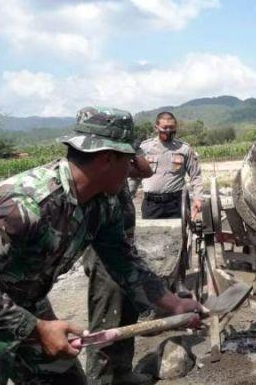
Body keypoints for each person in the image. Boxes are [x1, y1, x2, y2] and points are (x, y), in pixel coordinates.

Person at [0, 106, 207, 384]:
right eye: (129, 160)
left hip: (27, 303)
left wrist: (174, 303)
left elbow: (124, 262)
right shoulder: (24, 205)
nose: (132, 170)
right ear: (107, 159)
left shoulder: (102, 203)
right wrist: (37, 329)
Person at [83, 144, 154, 385]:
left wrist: (130, 150)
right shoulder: (96, 168)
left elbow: (145, 170)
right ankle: (100, 379)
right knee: (107, 317)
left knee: (127, 310)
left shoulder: (121, 165)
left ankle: (122, 372)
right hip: (103, 250)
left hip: (123, 245)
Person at [129, 112, 203, 219]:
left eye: (171, 127)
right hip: (151, 205)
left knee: (181, 229)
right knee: (150, 230)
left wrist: (198, 198)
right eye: (165, 127)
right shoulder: (144, 148)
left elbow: (195, 175)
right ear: (156, 128)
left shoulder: (184, 149)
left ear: (176, 127)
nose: (168, 130)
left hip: (177, 203)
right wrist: (128, 198)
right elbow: (135, 177)